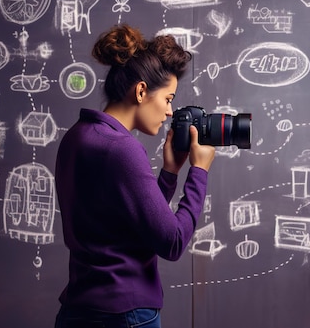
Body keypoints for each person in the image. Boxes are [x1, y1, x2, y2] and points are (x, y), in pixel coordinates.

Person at [54, 24, 216, 328]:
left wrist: (169, 173)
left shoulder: (78, 136)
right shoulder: (121, 148)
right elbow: (172, 241)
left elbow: (129, 221)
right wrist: (199, 171)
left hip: (79, 310)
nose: (170, 112)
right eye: (168, 99)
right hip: (125, 315)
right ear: (141, 91)